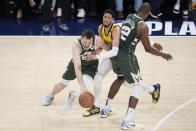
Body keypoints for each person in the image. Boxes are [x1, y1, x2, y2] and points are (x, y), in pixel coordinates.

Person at [100, 2, 173, 130]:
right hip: (125, 56)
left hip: (114, 52)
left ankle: (106, 108)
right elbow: (147, 49)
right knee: (137, 86)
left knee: (120, 78)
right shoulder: (143, 26)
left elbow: (133, 35)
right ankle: (127, 120)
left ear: (139, 10)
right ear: (148, 14)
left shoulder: (129, 16)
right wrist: (162, 54)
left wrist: (153, 42)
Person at [81, 9, 164, 117]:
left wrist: (152, 43)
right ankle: (96, 106)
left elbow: (135, 36)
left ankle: (152, 89)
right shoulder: (100, 28)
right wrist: (91, 55)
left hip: (120, 56)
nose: (106, 19)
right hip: (111, 56)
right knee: (99, 77)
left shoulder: (116, 29)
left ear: (113, 20)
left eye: (108, 17)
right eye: (104, 17)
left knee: (128, 83)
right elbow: (102, 46)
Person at [42, 29, 98, 106]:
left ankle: (72, 95)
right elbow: (77, 67)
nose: (87, 44)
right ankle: (50, 95)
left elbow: (109, 49)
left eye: (89, 42)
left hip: (90, 66)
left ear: (93, 40)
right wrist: (82, 86)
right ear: (81, 38)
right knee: (62, 84)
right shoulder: (76, 45)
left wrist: (97, 55)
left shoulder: (97, 41)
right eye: (85, 42)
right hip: (77, 64)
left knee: (87, 84)